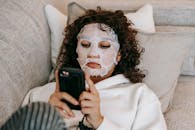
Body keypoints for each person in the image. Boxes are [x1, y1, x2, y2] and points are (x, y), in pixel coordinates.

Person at [1, 8, 167, 130]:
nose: (93, 53)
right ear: (76, 51)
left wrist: (100, 122)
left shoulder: (139, 96)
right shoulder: (40, 94)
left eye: (104, 46)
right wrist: (45, 116)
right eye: (86, 45)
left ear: (119, 55)